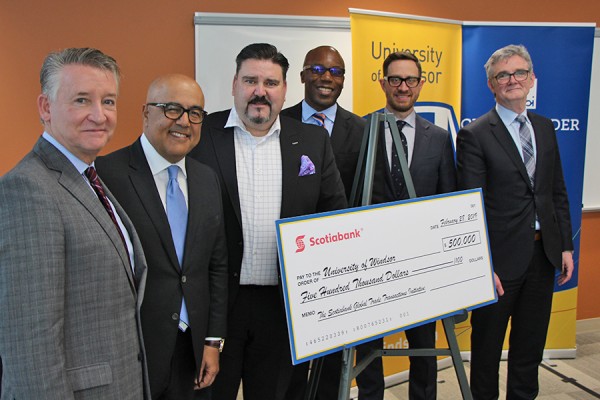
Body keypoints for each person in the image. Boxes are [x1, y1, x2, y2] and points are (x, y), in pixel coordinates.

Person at [188, 42, 347, 400]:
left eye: (271, 83)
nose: (260, 91)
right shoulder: (201, 137)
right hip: (217, 306)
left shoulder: (312, 140)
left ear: (285, 89)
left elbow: (334, 216)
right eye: (251, 80)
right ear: (234, 85)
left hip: (284, 308)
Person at [0, 47, 149, 399]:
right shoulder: (28, 189)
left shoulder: (87, 178)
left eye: (108, 101)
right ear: (45, 108)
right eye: (82, 100)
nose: (99, 115)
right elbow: (30, 344)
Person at [96, 74, 228, 400]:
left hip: (193, 351)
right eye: (172, 109)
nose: (184, 121)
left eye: (195, 113)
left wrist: (213, 341)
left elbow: (217, 266)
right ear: (145, 113)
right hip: (134, 349)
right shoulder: (106, 175)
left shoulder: (207, 179)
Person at [456, 44, 574, 400]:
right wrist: (482, 264)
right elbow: (470, 208)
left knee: (529, 349)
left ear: (532, 79)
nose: (512, 80)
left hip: (543, 257)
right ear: (491, 85)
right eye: (502, 75)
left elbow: (556, 192)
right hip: (499, 264)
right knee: (487, 350)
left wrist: (566, 245)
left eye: (519, 72)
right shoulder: (475, 134)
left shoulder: (544, 126)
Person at [281, 45, 376, 400]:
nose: (326, 78)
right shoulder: (279, 120)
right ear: (303, 75)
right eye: (318, 69)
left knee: (332, 359)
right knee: (287, 358)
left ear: (343, 80)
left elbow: (369, 192)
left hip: (341, 264)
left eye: (335, 72)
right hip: (290, 260)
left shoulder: (363, 128)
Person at [368, 51, 457, 400]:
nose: (402, 87)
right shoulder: (363, 129)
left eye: (409, 80)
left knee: (424, 345)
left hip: (423, 263)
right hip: (371, 262)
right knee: (369, 345)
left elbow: (448, 198)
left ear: (420, 85)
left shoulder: (438, 137)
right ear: (383, 83)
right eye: (395, 79)